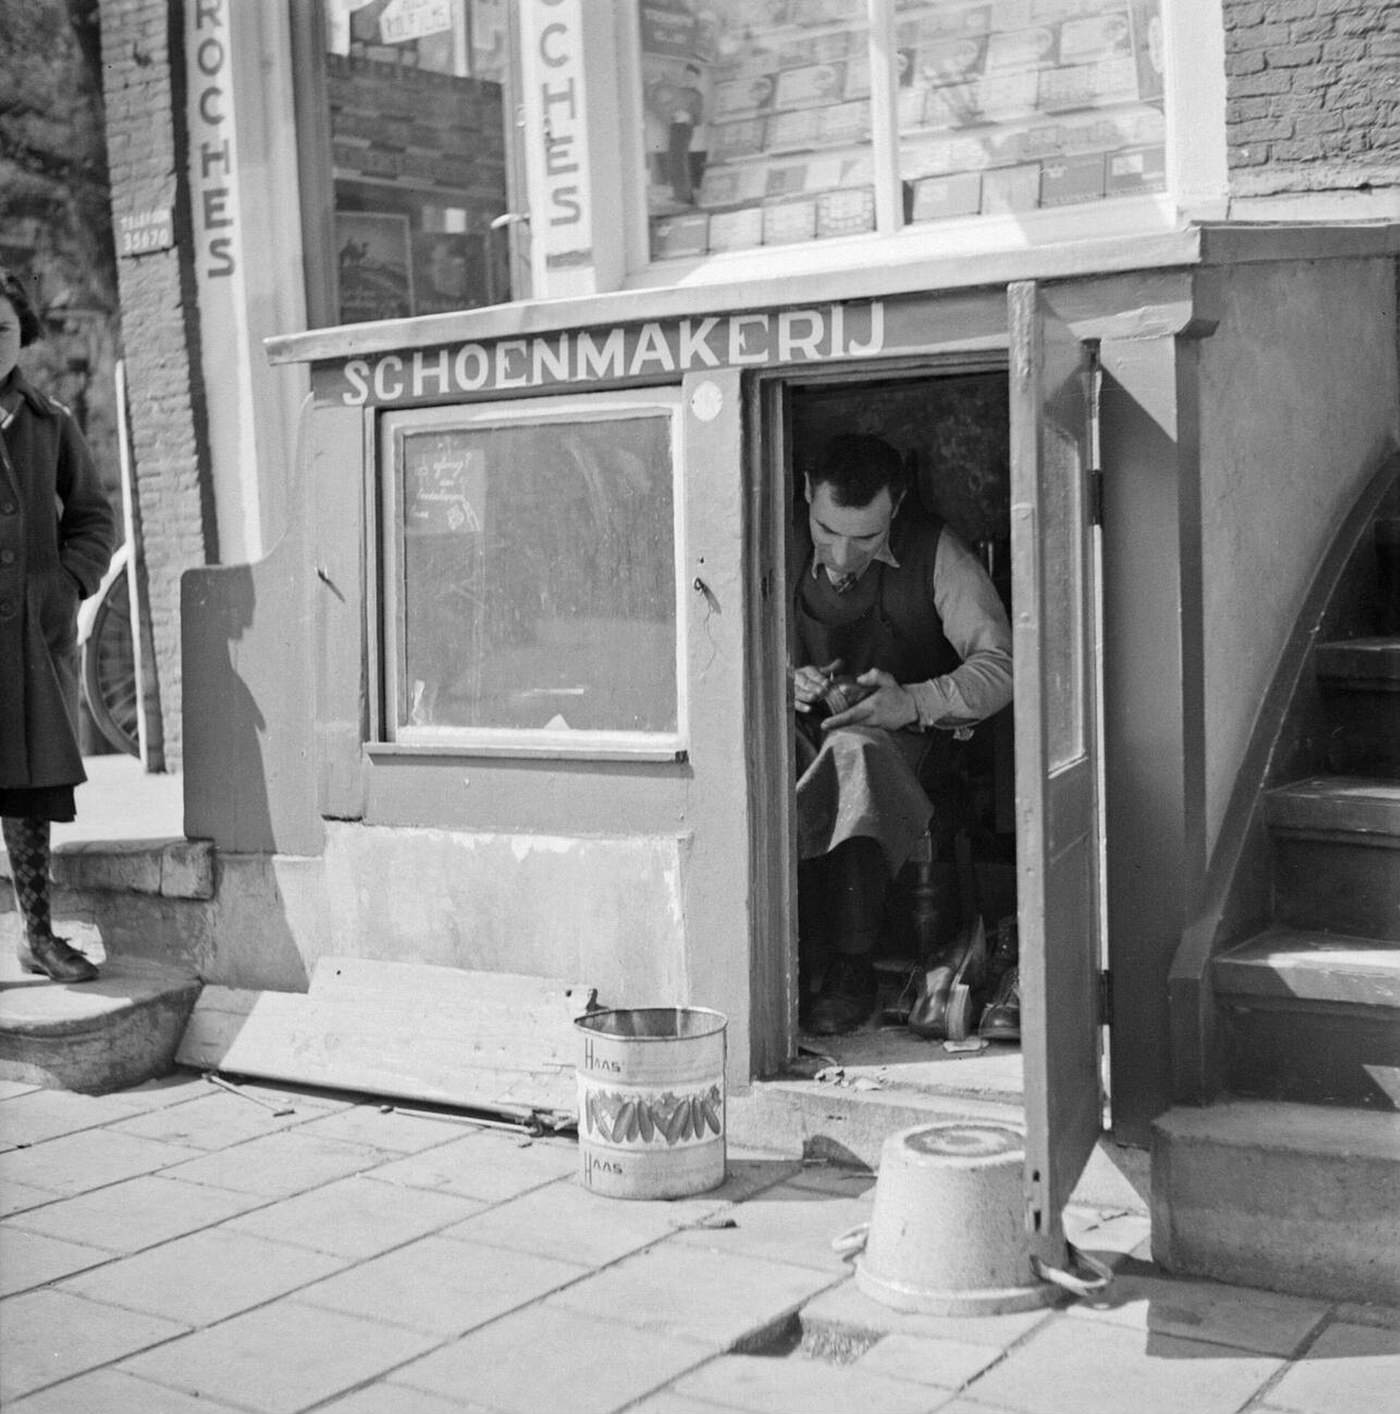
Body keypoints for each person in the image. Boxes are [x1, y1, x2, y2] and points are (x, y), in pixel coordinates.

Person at [792, 433, 1012, 1035]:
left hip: (910, 740)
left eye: (864, 538)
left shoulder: (938, 552)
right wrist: (784, 680)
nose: (840, 556)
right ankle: (787, 947)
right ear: (808, 493)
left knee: (856, 757)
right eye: (825, 531)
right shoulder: (771, 538)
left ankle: (851, 961)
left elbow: (1003, 667)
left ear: (899, 501)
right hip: (803, 728)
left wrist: (912, 700)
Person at [0, 266, 117, 982]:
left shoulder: (50, 423)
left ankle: (36, 935)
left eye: (2, 330)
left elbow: (93, 518)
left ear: (22, 336)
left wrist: (66, 584)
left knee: (26, 786)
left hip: (27, 643)